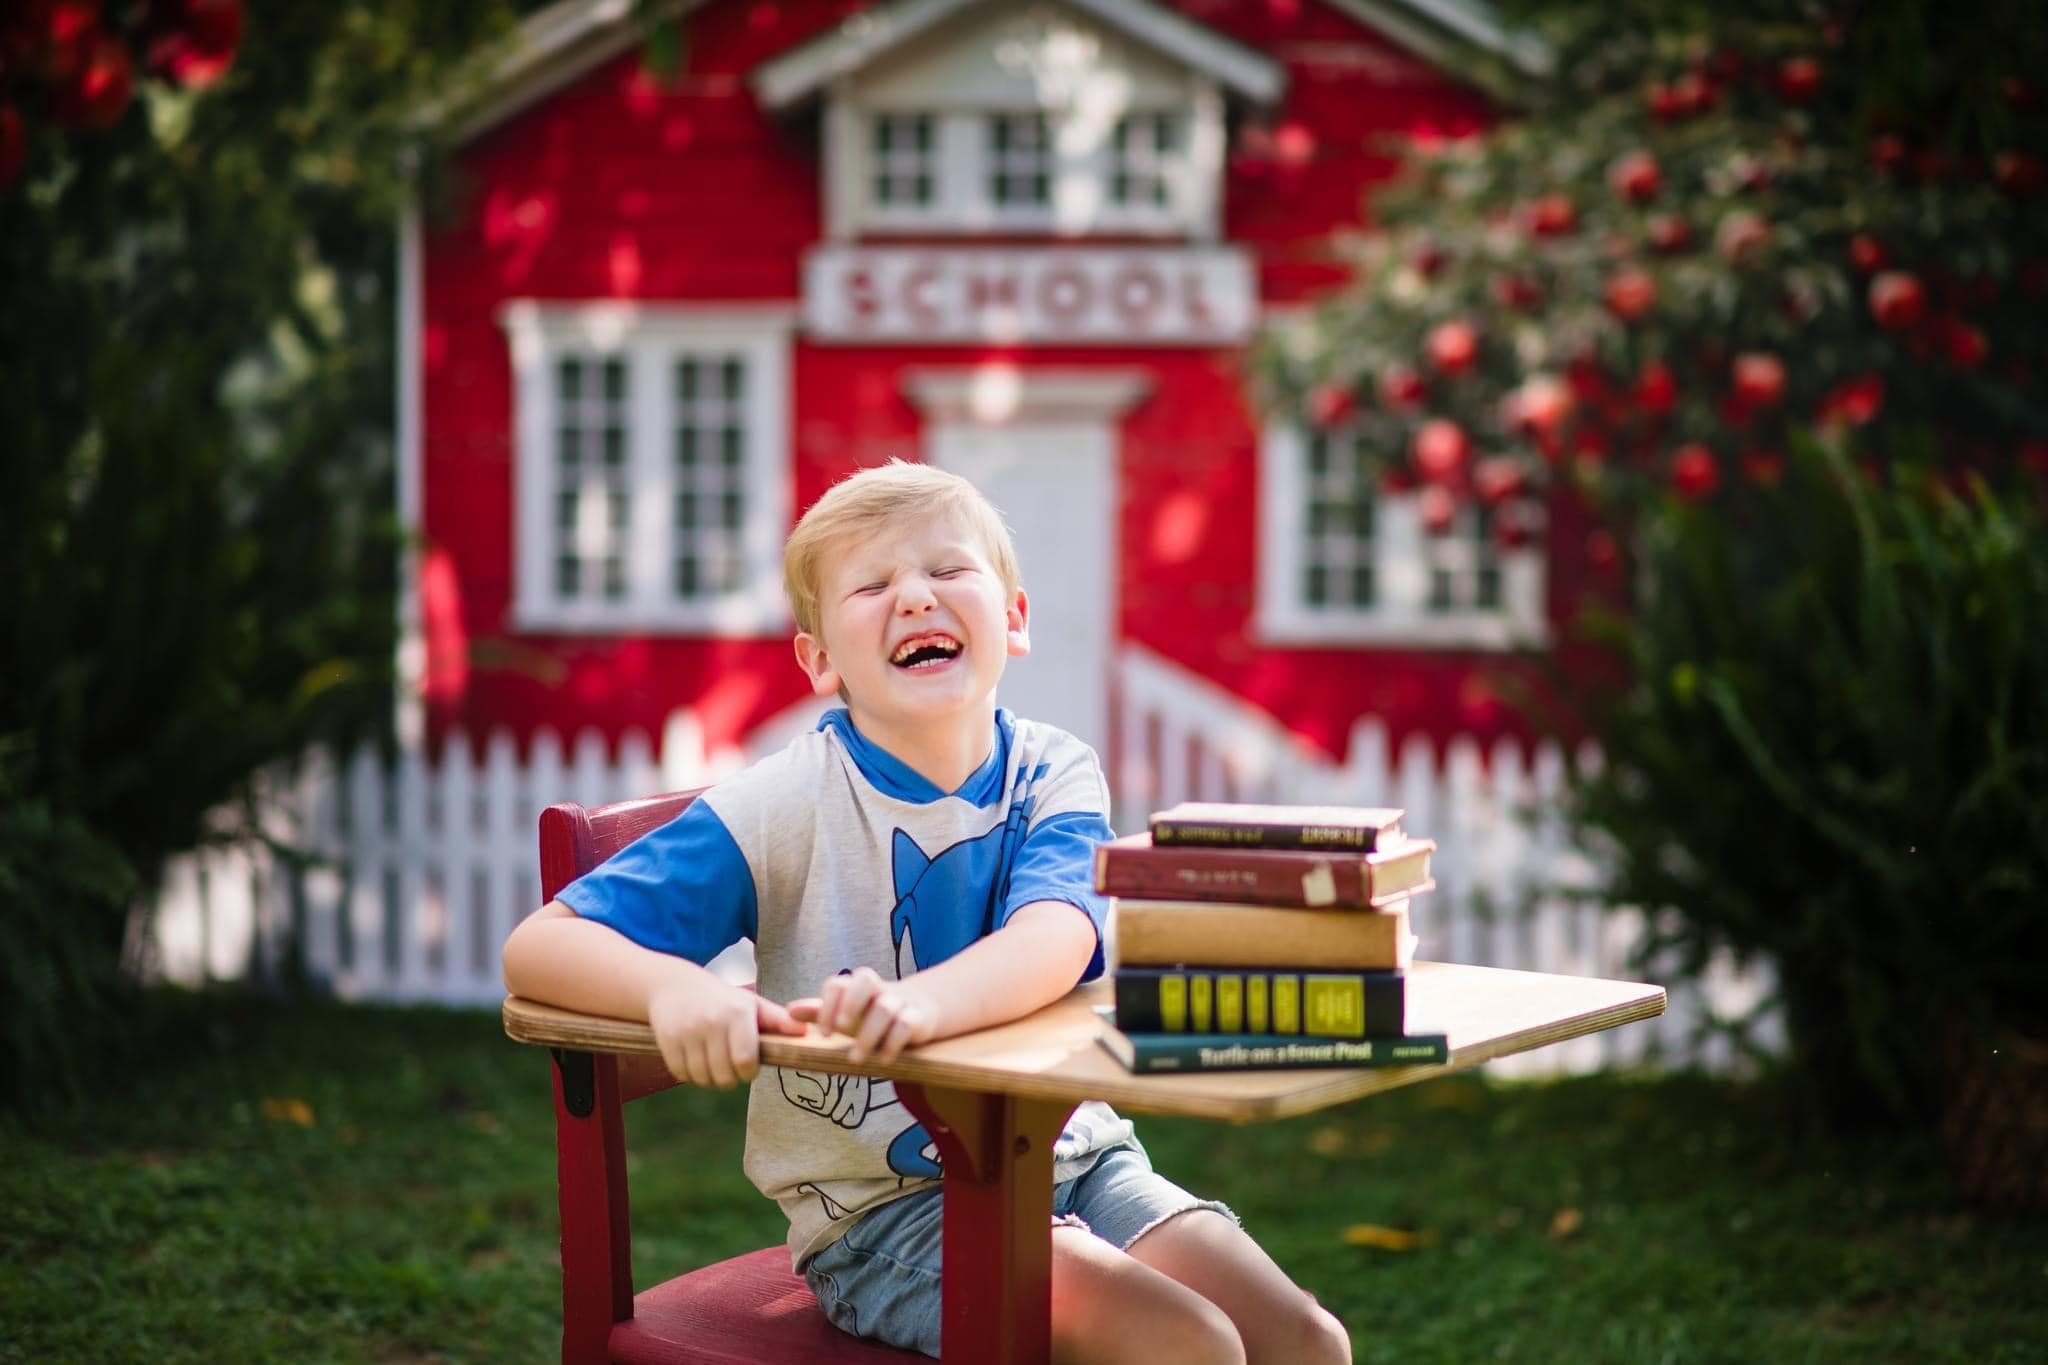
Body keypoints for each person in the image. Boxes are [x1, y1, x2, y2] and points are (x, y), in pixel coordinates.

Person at [502, 461, 1350, 1364]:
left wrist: (917, 1011)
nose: (914, 598)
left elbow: (1057, 935)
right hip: (881, 1211)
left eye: (948, 571)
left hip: (1079, 1157)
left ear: (1013, 618)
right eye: (872, 585)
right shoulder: (779, 806)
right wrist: (674, 991)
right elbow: (541, 945)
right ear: (820, 657)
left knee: (1304, 1341)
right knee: (1189, 1344)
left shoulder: (1054, 774)